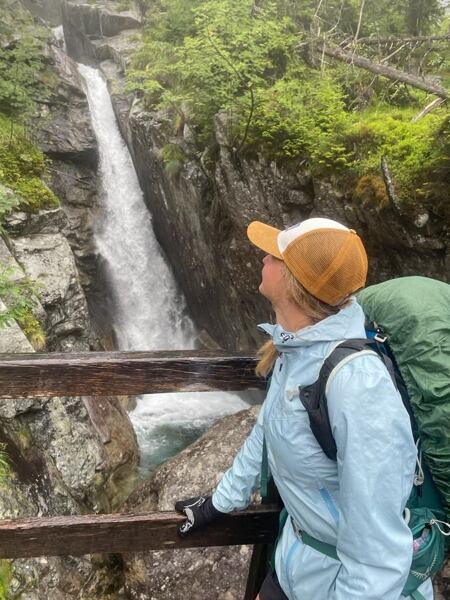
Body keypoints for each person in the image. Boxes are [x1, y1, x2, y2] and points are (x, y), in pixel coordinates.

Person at [175, 217, 432, 600]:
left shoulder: (358, 385)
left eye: (274, 254)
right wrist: (221, 501)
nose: (263, 257)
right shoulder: (296, 351)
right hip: (295, 561)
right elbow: (268, 430)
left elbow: (378, 556)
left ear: (293, 283)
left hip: (345, 583)